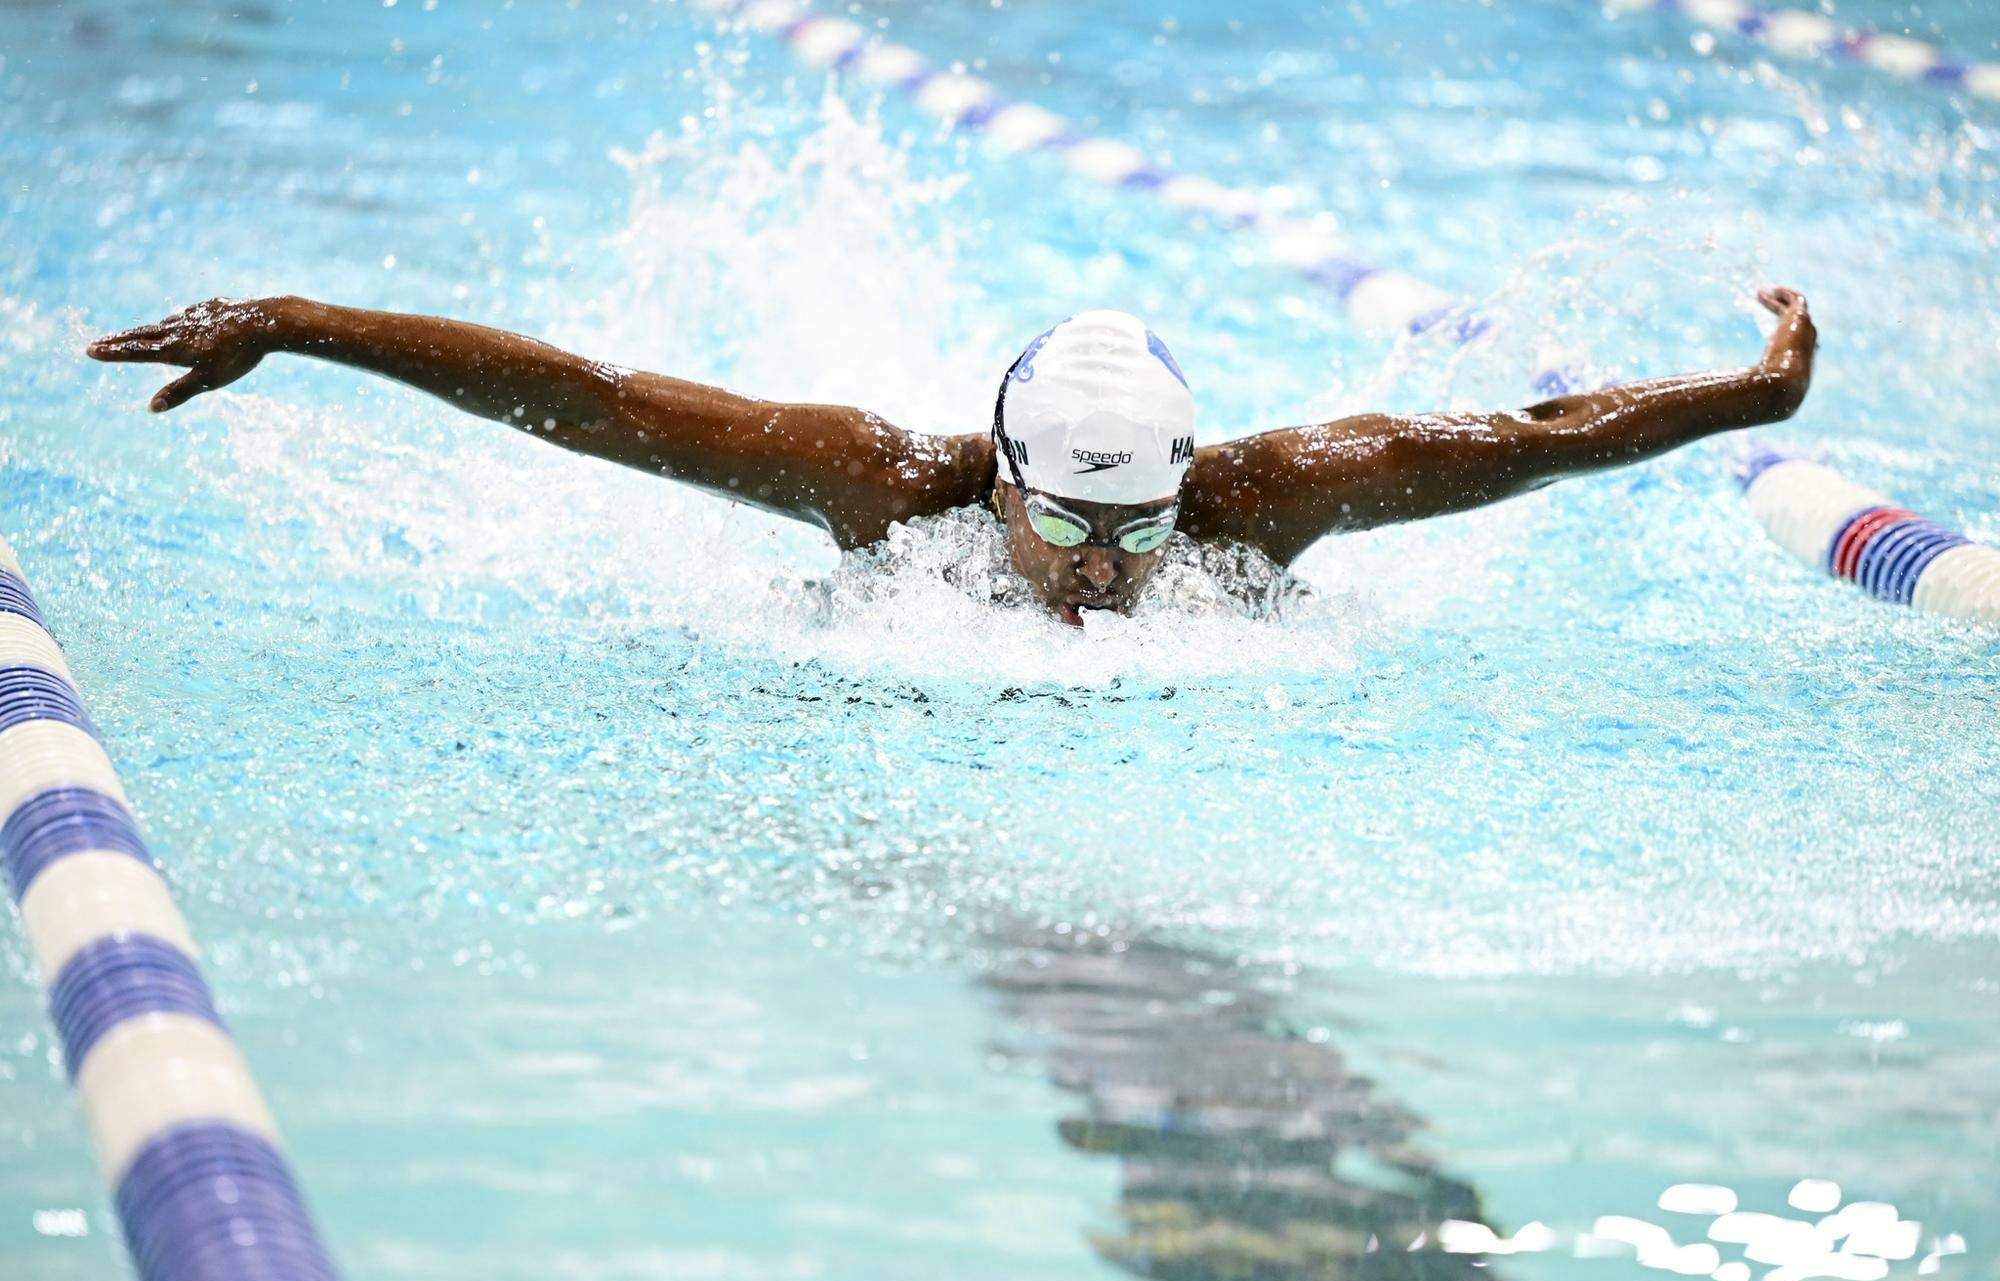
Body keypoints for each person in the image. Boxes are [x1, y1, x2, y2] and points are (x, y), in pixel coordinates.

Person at [87, 289, 1815, 626]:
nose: (1105, 572)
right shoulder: (877, 483)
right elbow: (596, 400)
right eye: (1066, 521)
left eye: (1136, 528)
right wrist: (301, 324)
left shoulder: (1261, 503)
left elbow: (1523, 442)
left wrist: (1745, 404)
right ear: (998, 477)